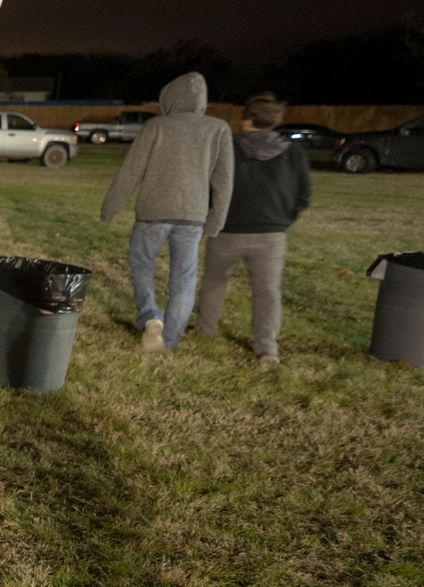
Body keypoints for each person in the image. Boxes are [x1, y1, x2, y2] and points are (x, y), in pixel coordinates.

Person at [100, 72, 234, 351]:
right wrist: (215, 223)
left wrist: (109, 208)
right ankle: (170, 340)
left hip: (152, 213)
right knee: (183, 278)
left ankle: (150, 317)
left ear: (169, 97)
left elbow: (131, 171)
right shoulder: (218, 129)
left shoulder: (155, 126)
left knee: (142, 267)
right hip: (192, 215)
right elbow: (224, 181)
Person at [197, 93, 310, 367]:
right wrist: (283, 220)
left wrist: (210, 219)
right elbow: (303, 193)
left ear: (247, 118)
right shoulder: (292, 152)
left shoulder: (228, 148)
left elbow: (211, 187)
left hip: (227, 232)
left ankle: (205, 331)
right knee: (268, 292)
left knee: (214, 282)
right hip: (271, 236)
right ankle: (266, 348)